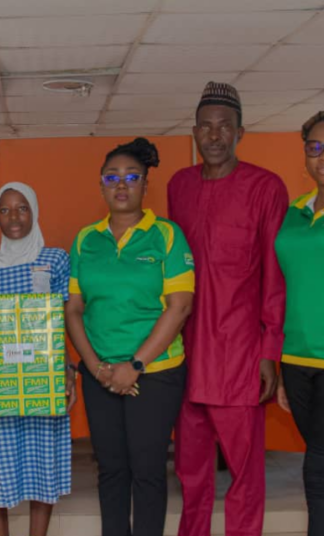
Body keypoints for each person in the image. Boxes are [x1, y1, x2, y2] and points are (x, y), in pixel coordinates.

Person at [168, 82, 289, 536]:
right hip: (185, 351)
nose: (214, 135)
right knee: (191, 474)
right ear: (194, 132)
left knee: (244, 475)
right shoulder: (180, 186)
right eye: (206, 126)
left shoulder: (265, 187)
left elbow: (274, 278)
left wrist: (268, 351)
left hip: (239, 354)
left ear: (240, 133)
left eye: (224, 127)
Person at [66, 138, 194, 536]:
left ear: (145, 184)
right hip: (99, 372)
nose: (121, 185)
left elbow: (179, 307)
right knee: (111, 470)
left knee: (147, 470)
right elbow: (73, 309)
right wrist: (94, 366)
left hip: (155, 373)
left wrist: (135, 366)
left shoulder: (167, 235)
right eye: (112, 178)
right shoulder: (86, 239)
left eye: (131, 177)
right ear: (101, 185)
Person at [0, 182, 76, 536]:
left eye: (22, 208)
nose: (13, 217)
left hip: (43, 381)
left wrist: (69, 372)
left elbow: (61, 322)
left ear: (35, 212)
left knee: (42, 463)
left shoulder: (55, 259)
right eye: (5, 209)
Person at [275, 111, 324, 536]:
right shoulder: (294, 212)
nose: (323, 157)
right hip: (296, 357)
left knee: (318, 464)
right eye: (316, 147)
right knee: (318, 452)